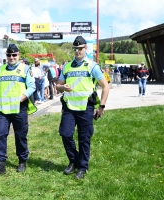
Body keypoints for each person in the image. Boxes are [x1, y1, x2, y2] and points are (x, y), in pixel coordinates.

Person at [56, 36, 109, 180]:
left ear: (85, 49)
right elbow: (58, 86)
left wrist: (101, 106)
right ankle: (74, 160)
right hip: (69, 107)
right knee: (66, 134)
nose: (78, 51)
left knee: (84, 138)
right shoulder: (66, 66)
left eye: (80, 48)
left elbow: (105, 86)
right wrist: (62, 87)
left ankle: (83, 167)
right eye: (75, 49)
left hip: (86, 107)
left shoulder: (92, 66)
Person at [0, 43, 36, 175]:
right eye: (9, 55)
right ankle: (0, 164)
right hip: (3, 110)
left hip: (19, 108)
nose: (11, 57)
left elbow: (32, 86)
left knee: (20, 136)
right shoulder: (1, 69)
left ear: (18, 55)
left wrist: (23, 97)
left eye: (14, 55)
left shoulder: (25, 69)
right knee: (1, 135)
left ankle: (22, 160)